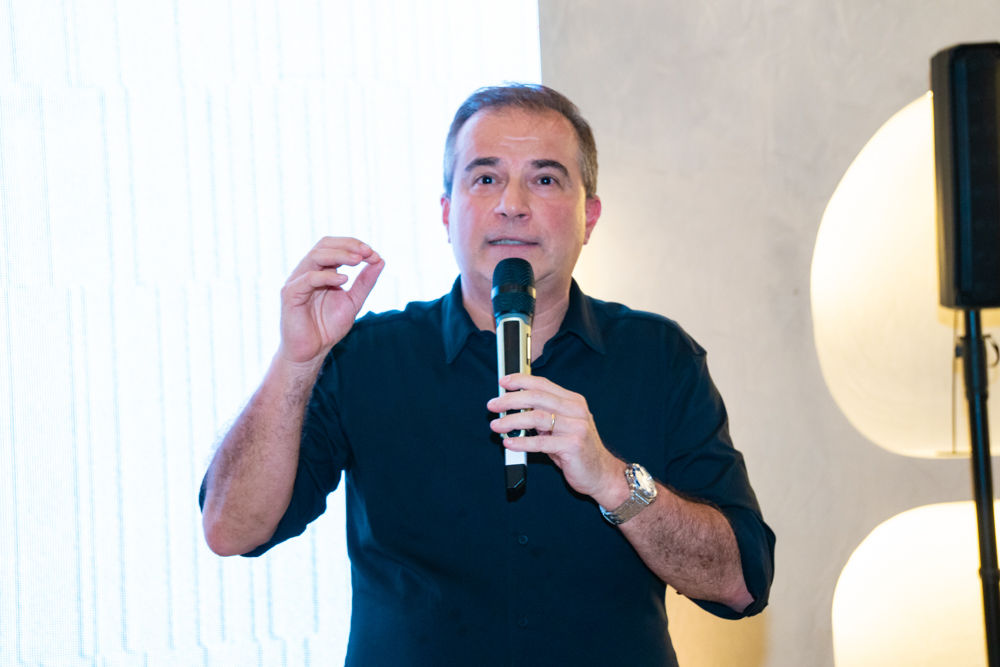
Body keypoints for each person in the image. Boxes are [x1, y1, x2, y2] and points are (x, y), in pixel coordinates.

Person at [200, 84, 774, 666]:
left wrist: (612, 479)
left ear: (589, 216)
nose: (512, 204)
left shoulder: (660, 357)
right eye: (485, 178)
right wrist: (296, 361)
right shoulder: (366, 356)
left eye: (544, 179)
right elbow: (231, 529)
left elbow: (740, 584)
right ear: (446, 212)